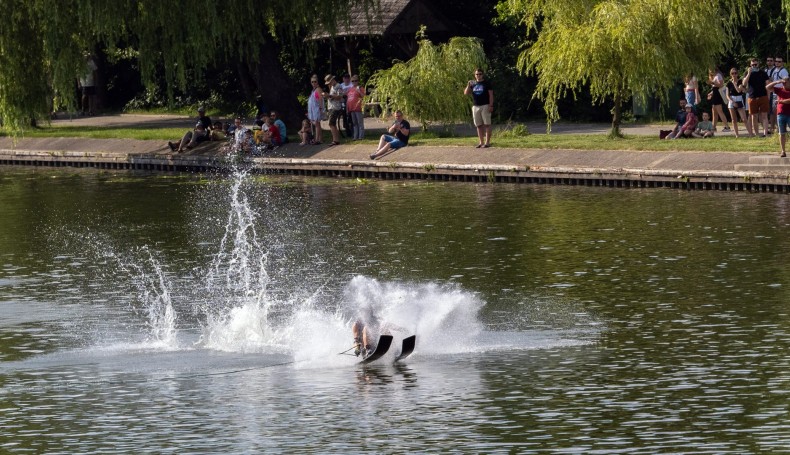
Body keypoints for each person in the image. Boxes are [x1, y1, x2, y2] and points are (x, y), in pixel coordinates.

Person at [464, 68, 494, 148]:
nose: (478, 76)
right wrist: (468, 85)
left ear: (482, 75)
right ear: (475, 75)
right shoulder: (473, 84)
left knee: (487, 124)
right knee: (478, 125)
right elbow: (466, 93)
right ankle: (481, 142)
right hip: (476, 106)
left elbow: (491, 95)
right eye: (477, 74)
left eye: (480, 74)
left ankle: (487, 143)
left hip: (485, 105)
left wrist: (491, 105)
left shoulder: (486, 83)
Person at [743, 58, 771, 137]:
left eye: (755, 64)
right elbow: (744, 84)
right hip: (752, 97)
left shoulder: (763, 73)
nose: (754, 66)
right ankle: (757, 133)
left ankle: (765, 133)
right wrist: (749, 73)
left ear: (758, 64)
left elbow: (767, 85)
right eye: (752, 65)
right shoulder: (747, 73)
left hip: (763, 96)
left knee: (764, 116)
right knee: (754, 116)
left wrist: (768, 96)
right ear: (750, 65)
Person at [767, 77, 790, 157]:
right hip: (780, 114)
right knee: (782, 133)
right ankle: (783, 151)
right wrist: (777, 82)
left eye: (785, 82)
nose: (783, 84)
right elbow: (767, 87)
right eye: (783, 83)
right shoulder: (780, 89)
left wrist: (780, 101)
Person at [324, 74, 345, 146]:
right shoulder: (332, 87)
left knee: (331, 123)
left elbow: (340, 96)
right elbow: (332, 97)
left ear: (333, 80)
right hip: (332, 107)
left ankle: (335, 140)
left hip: (336, 107)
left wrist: (329, 95)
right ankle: (336, 139)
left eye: (329, 82)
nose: (329, 84)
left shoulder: (338, 86)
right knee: (332, 124)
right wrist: (327, 96)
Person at [770, 57, 788, 134]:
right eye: (776, 61)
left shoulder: (783, 71)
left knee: (778, 111)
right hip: (775, 92)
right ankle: (777, 128)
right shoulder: (774, 70)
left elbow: (786, 81)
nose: (777, 63)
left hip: (781, 92)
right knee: (774, 111)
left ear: (782, 63)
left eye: (779, 62)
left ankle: (781, 129)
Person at [346, 74, 366, 140]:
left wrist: (359, 91)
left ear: (358, 81)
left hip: (358, 108)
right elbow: (348, 98)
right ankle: (355, 136)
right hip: (351, 108)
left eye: (355, 81)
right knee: (354, 123)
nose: (354, 82)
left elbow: (364, 97)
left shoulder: (360, 88)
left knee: (360, 122)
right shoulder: (350, 89)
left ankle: (361, 136)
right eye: (352, 81)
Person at [307, 75, 324, 145]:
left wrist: (320, 108)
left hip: (317, 109)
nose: (313, 83)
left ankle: (317, 139)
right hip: (313, 110)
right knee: (317, 124)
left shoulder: (318, 89)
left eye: (315, 81)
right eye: (312, 82)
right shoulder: (313, 90)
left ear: (317, 82)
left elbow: (320, 99)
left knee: (317, 124)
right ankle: (320, 139)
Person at [340, 73, 354, 137]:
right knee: (345, 117)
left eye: (348, 78)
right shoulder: (341, 85)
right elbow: (340, 93)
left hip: (350, 102)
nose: (346, 79)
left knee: (350, 117)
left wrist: (344, 93)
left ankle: (352, 130)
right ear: (343, 79)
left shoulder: (351, 84)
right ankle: (347, 130)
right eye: (345, 78)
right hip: (343, 102)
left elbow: (350, 92)